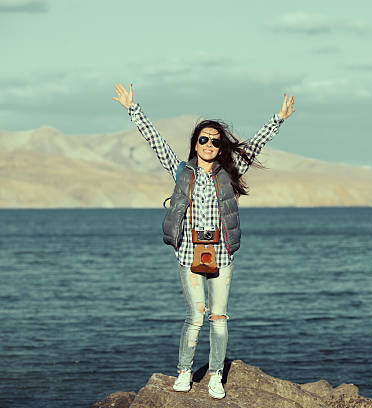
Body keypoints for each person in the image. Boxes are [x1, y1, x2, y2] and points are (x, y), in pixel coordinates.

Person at [112, 83, 295, 398]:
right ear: (195, 144)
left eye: (215, 140)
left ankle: (214, 377)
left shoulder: (229, 171)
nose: (209, 144)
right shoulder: (182, 171)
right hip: (188, 253)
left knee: (219, 317)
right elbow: (155, 141)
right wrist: (133, 108)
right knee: (195, 316)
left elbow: (255, 146)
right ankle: (184, 373)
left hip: (222, 255)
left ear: (220, 145)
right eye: (203, 139)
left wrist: (278, 119)